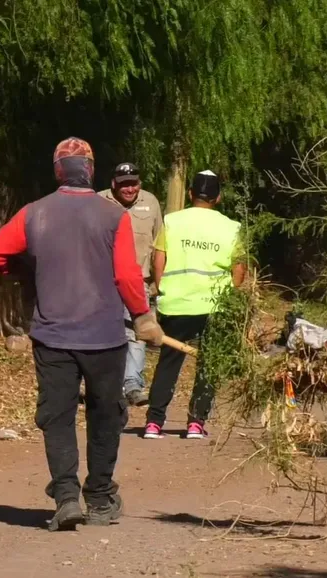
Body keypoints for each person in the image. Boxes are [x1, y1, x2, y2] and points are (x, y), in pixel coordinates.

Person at [0, 137, 164, 531]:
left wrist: (25, 270)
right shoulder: (114, 216)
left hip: (53, 337)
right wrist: (144, 317)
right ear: (92, 170)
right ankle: (98, 498)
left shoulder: (35, 214)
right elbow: (127, 275)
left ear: (58, 169)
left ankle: (66, 497)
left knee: (58, 416)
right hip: (105, 337)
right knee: (105, 414)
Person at [144, 170, 247, 440]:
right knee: (209, 365)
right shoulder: (231, 227)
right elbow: (239, 268)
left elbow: (159, 260)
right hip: (215, 305)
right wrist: (230, 296)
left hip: (176, 303)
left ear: (190, 194)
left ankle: (154, 423)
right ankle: (195, 423)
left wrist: (162, 288)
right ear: (219, 197)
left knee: (168, 363)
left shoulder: (173, 221)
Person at [98, 163, 163, 407]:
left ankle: (133, 385)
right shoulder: (98, 201)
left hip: (139, 282)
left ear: (140, 183)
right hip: (103, 280)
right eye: (124, 183)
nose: (129, 188)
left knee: (138, 333)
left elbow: (159, 242)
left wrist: (158, 282)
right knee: (102, 332)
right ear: (113, 183)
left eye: (133, 183)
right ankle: (102, 383)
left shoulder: (151, 202)